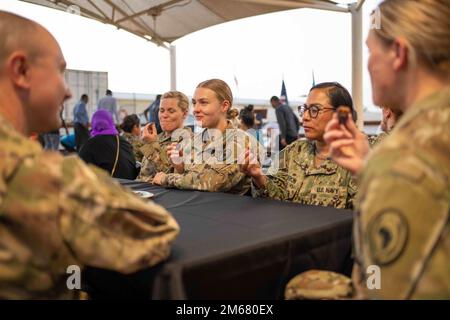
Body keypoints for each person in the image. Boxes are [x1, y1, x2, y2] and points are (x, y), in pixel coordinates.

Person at [0, 11, 179, 299]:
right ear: (20, 70)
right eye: (60, 71)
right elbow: (157, 232)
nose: (68, 91)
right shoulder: (45, 177)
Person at [290, 0, 450, 300]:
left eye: (371, 51)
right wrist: (369, 169)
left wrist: (379, 175)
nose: (368, 64)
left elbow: (380, 289)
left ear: (399, 54)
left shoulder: (405, 154)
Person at [241, 82, 357, 209]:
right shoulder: (294, 151)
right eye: (304, 110)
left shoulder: (357, 160)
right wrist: (259, 177)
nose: (305, 117)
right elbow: (275, 199)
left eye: (314, 110)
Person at [152, 79, 262, 195]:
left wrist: (166, 178)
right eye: (194, 103)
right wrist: (180, 166)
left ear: (224, 106)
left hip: (227, 211)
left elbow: (213, 182)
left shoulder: (240, 141)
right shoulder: (196, 140)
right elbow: (189, 180)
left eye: (203, 103)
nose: (196, 109)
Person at [137, 91, 191, 183]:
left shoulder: (190, 141)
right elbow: (144, 171)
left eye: (171, 111)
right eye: (161, 110)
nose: (164, 115)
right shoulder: (156, 137)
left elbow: (170, 177)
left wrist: (152, 145)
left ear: (185, 114)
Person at [79, 109, 138, 180]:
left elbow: (80, 170)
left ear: (93, 124)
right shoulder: (124, 142)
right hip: (131, 186)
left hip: (107, 187)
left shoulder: (90, 144)